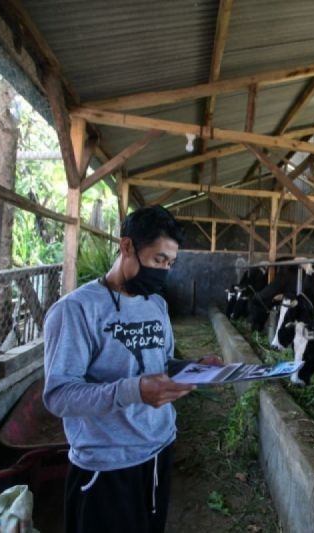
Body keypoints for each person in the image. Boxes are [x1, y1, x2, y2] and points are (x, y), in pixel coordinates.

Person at [43, 205, 222, 533]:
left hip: (159, 449)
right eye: (158, 260)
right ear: (127, 247)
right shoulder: (76, 311)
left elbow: (161, 362)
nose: (164, 271)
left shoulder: (156, 303)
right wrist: (134, 390)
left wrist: (193, 367)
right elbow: (59, 396)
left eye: (170, 263)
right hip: (108, 465)